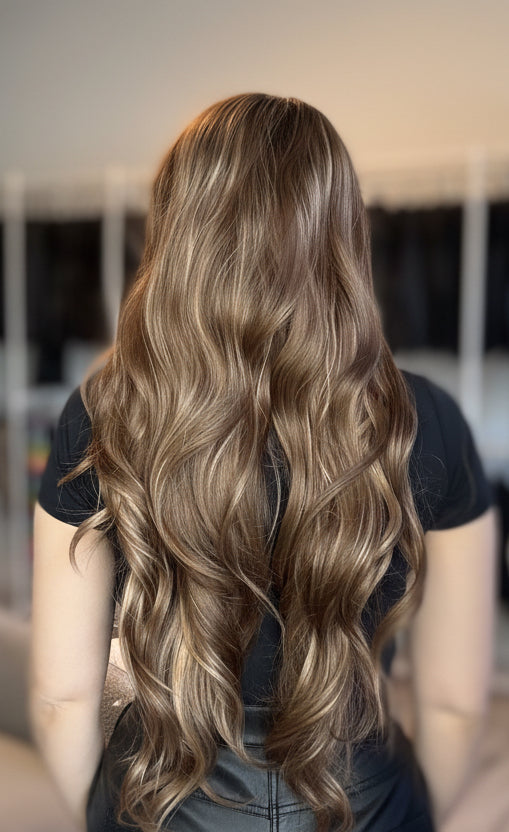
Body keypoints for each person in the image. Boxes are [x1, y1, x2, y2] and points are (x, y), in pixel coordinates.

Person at [29, 93, 496, 832]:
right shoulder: (425, 419)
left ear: (179, 230)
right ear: (341, 232)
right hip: (363, 805)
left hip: (155, 805)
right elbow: (453, 703)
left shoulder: (103, 412)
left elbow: (62, 698)